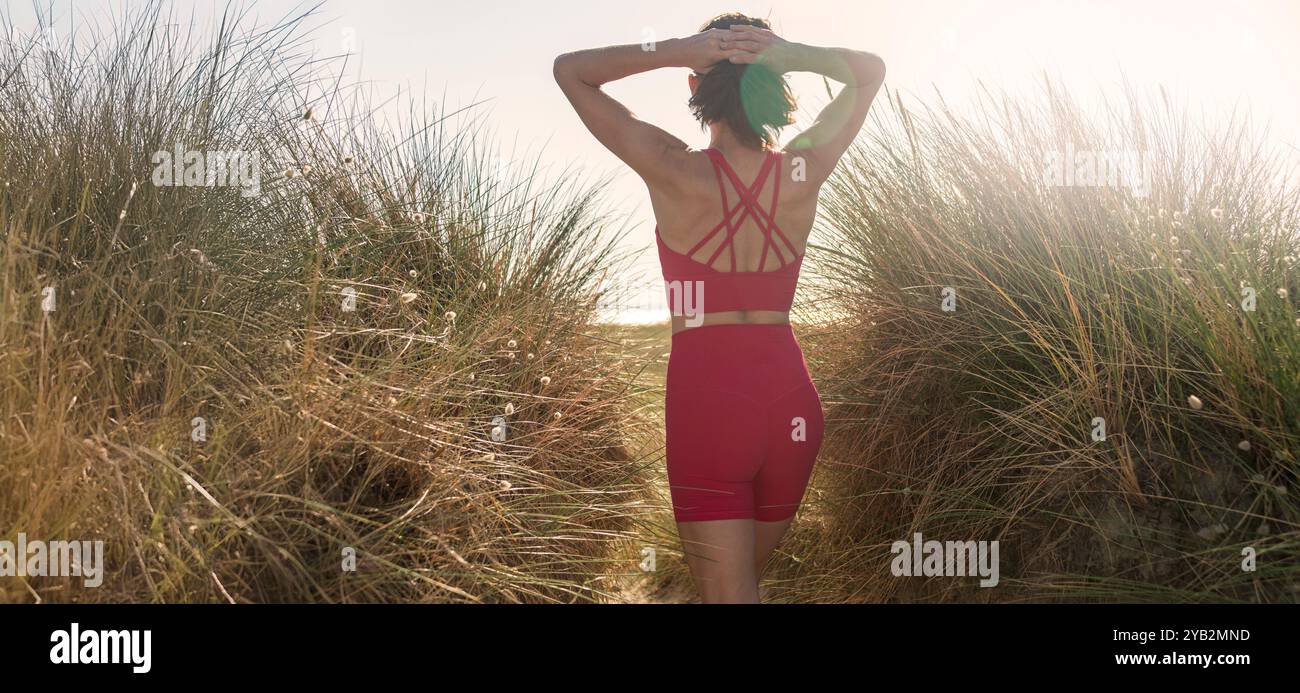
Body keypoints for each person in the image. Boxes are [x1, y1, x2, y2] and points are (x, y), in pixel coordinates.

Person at [554, 13, 885, 603]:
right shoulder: (804, 168)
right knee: (737, 588)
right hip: (791, 405)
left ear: (694, 86)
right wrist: (791, 52)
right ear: (775, 87)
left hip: (708, 405)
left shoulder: (672, 167)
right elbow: (869, 73)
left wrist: (677, 49)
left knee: (726, 595)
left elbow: (571, 73)